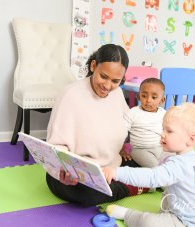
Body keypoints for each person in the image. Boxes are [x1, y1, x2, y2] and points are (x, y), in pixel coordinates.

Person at [46, 44, 148, 206]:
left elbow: (125, 125)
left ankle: (130, 183)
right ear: (93, 66)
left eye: (116, 81)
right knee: (89, 194)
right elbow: (56, 147)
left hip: (111, 166)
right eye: (103, 76)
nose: (107, 86)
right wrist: (65, 170)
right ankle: (133, 187)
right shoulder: (70, 94)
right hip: (75, 174)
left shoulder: (117, 93)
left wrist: (124, 145)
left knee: (153, 165)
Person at [103, 103, 195, 227]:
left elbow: (152, 177)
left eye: (169, 131)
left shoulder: (179, 165)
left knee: (148, 223)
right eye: (163, 129)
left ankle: (127, 214)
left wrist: (117, 172)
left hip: (188, 222)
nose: (162, 134)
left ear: (191, 139)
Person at [121, 78, 166, 168]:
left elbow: (169, 130)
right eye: (144, 96)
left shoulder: (164, 114)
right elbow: (121, 132)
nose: (148, 100)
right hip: (140, 150)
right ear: (139, 96)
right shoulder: (133, 112)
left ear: (161, 101)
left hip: (160, 148)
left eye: (154, 97)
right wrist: (121, 148)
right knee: (156, 167)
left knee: (174, 159)